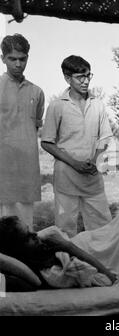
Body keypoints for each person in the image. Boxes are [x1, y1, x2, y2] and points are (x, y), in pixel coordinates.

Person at [41, 55, 112, 238]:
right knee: (65, 229)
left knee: (103, 227)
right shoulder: (57, 106)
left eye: (88, 76)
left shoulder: (97, 105)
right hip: (66, 176)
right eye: (80, 77)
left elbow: (105, 137)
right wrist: (74, 163)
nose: (86, 81)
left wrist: (96, 160)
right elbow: (47, 142)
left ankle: (103, 263)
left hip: (92, 175)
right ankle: (69, 264)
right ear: (67, 78)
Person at [0, 34, 45, 228]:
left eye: (22, 58)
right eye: (12, 59)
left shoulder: (37, 92)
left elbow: (34, 126)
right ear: (3, 58)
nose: (18, 64)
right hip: (3, 166)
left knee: (25, 225)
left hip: (27, 166)